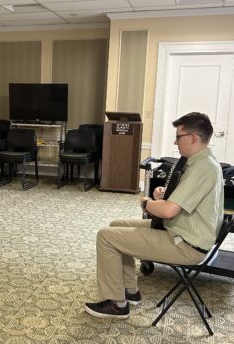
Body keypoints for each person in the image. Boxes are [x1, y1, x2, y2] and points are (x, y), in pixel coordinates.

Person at [85, 112, 224, 319]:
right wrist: (164, 195)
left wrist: (146, 202)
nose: (176, 142)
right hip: (179, 230)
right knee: (115, 225)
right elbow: (182, 201)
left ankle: (116, 304)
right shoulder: (200, 161)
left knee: (106, 237)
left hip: (185, 245)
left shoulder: (202, 167)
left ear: (194, 137)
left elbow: (168, 211)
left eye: (179, 137)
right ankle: (129, 291)